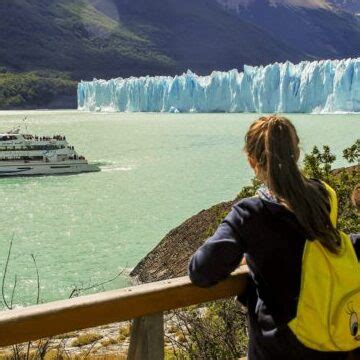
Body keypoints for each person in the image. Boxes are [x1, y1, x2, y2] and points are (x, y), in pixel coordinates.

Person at [188, 115, 360, 360]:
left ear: (252, 161)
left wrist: (248, 257)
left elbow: (200, 270)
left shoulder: (250, 214)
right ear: (297, 152)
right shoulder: (325, 196)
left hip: (281, 349)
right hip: (333, 344)